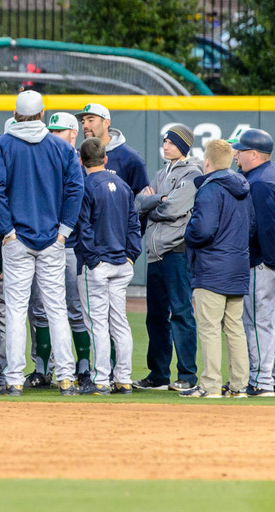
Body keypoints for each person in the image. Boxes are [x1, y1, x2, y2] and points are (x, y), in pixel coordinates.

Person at [0, 90, 84, 396]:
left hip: (16, 239)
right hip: (52, 238)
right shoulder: (61, 146)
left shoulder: (2, 145)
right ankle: (66, 377)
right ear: (43, 114)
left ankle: (14, 379)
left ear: (15, 115)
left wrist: (7, 229)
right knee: (56, 309)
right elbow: (75, 189)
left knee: (15, 310)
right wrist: (64, 230)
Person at [180, 139, 252, 399]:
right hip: (238, 265)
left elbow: (202, 230)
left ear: (206, 162)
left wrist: (188, 232)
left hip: (212, 267)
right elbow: (251, 227)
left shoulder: (210, 189)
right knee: (234, 328)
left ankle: (210, 385)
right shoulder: (243, 188)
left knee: (209, 327)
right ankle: (239, 386)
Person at [133, 124, 202, 391]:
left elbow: (172, 207)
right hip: (155, 254)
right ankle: (158, 374)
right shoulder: (162, 172)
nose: (166, 145)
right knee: (156, 316)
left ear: (183, 146)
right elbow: (139, 203)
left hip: (176, 251)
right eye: (165, 141)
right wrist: (156, 201)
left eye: (171, 142)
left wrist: (155, 203)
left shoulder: (193, 173)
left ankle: (187, 375)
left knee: (182, 314)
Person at [75, 138, 142, 396]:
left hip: (98, 266)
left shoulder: (85, 185)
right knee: (120, 323)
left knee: (98, 325)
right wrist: (131, 256)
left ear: (81, 161)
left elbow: (84, 228)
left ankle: (101, 379)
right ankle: (123, 379)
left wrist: (93, 260)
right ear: (105, 159)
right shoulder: (123, 185)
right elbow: (134, 225)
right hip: (121, 264)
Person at [232, 129, 275, 397]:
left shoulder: (259, 181)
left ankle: (260, 382)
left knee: (258, 322)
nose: (236, 154)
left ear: (254, 154)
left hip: (265, 261)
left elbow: (264, 227)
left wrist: (267, 261)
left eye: (241, 150)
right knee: (270, 321)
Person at [76, 103, 149, 196]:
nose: (85, 126)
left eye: (90, 120)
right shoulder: (79, 155)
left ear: (106, 122)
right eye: (83, 122)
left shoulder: (130, 158)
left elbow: (141, 199)